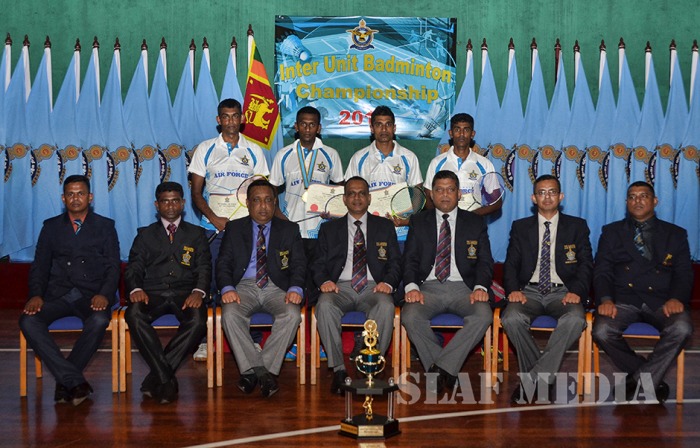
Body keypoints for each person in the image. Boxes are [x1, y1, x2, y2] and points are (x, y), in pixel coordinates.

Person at [19, 175, 120, 406]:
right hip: (57, 294)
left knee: (98, 320)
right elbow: (40, 266)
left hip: (91, 295)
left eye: (80, 193)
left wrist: (104, 294)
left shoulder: (105, 226)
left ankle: (66, 381)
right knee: (28, 321)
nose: (76, 198)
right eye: (70, 194)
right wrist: (36, 294)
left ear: (90, 197)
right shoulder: (51, 227)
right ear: (63, 198)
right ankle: (73, 381)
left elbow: (113, 267)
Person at [592, 181, 693, 403]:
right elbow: (602, 270)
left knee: (682, 327)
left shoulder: (675, 234)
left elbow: (684, 273)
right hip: (624, 299)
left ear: (655, 201)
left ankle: (637, 380)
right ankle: (651, 379)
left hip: (662, 300)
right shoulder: (612, 232)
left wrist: (676, 297)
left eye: (643, 196)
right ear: (626, 202)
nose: (637, 201)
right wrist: (606, 299)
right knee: (602, 331)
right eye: (632, 197)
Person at [188, 98, 269, 362]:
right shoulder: (205, 149)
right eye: (226, 116)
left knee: (245, 281)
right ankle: (205, 341)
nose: (231, 121)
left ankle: (252, 339)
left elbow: (260, 192)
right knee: (211, 283)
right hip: (213, 228)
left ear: (242, 119)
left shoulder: (254, 150)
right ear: (218, 120)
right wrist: (213, 218)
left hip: (247, 230)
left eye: (235, 116)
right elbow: (196, 193)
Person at [502, 174, 592, 404]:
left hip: (563, 292)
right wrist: (513, 289)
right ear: (534, 198)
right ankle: (544, 377)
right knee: (511, 318)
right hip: (529, 292)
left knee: (575, 320)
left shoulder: (577, 226)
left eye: (552, 192)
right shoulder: (521, 227)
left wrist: (577, 291)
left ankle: (532, 380)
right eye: (541, 192)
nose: (547, 197)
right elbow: (511, 263)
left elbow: (586, 264)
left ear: (561, 196)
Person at [401, 170, 493, 394]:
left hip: (464, 288)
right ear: (431, 195)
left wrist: (480, 287)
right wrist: (412, 287)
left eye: (450, 190)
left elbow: (485, 261)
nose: (445, 195)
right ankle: (446, 370)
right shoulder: (418, 222)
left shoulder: (475, 222)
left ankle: (440, 369)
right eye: (439, 190)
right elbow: (410, 259)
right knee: (410, 316)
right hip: (428, 288)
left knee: (483, 315)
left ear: (459, 194)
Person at [312, 176, 402, 394]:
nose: (357, 198)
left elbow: (396, 262)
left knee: (386, 305)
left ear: (369, 198)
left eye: (362, 193)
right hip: (339, 287)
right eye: (351, 193)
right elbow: (317, 263)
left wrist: (388, 282)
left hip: (374, 286)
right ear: (344, 199)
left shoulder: (384, 226)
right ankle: (339, 370)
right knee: (324, 305)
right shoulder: (328, 229)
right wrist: (324, 281)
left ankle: (371, 367)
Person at [124, 182, 211, 404]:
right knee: (133, 314)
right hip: (152, 293)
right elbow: (134, 267)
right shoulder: (145, 235)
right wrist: (136, 288)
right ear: (157, 205)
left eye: (175, 201)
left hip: (185, 293)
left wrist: (198, 291)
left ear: (183, 203)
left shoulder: (196, 234)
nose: (170, 206)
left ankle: (156, 377)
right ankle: (165, 378)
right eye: (165, 201)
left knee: (198, 320)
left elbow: (204, 266)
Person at [216, 179, 305, 397]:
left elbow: (299, 264)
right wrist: (227, 288)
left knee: (292, 314)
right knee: (230, 314)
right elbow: (223, 262)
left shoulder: (289, 229)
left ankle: (254, 373)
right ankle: (264, 374)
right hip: (243, 287)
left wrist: (295, 288)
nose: (263, 206)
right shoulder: (235, 228)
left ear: (275, 203)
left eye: (268, 200)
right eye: (257, 200)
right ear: (248, 203)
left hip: (277, 287)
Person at [344, 105, 423, 233]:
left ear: (394, 128)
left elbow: (417, 193)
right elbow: (349, 192)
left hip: (399, 229)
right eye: (379, 125)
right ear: (372, 128)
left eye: (388, 124)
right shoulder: (358, 158)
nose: (384, 129)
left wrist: (406, 219)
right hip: (368, 228)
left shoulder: (409, 157)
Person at [424, 113, 502, 215]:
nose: (461, 134)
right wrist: (438, 219)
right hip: (444, 222)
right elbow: (428, 197)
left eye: (466, 130)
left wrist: (471, 217)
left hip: (473, 222)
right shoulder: (437, 163)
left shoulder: (485, 164)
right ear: (450, 133)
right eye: (457, 130)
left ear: (472, 134)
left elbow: (497, 202)